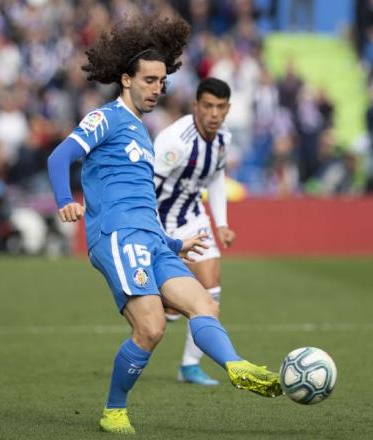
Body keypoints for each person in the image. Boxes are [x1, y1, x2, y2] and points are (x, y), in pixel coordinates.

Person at [46, 14, 281, 435]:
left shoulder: (141, 131)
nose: (158, 88)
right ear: (125, 79)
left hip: (154, 240)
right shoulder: (107, 119)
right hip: (116, 238)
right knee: (152, 327)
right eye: (149, 80)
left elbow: (142, 202)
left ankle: (237, 367)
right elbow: (59, 157)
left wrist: (173, 244)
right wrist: (65, 201)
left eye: (161, 82)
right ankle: (114, 410)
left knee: (205, 303)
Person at [153, 77, 236, 385]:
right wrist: (155, 235)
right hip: (159, 221)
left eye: (221, 107)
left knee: (211, 288)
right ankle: (167, 305)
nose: (214, 114)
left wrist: (222, 224)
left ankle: (189, 365)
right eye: (208, 106)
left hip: (192, 216)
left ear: (228, 109)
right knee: (166, 309)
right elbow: (148, 189)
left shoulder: (223, 139)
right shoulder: (175, 141)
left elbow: (216, 178)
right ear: (196, 106)